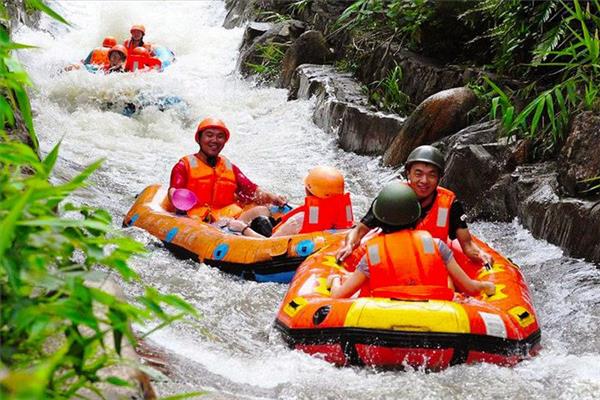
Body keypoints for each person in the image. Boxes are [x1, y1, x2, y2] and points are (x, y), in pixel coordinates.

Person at [328, 182, 496, 299]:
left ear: (379, 219)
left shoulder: (372, 254)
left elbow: (338, 295)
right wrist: (487, 286)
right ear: (416, 217)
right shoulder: (438, 246)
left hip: (381, 319)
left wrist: (335, 280)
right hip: (437, 318)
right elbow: (470, 288)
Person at [336, 145, 492, 266]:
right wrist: (349, 245)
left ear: (439, 178)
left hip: (432, 264)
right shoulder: (392, 198)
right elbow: (360, 230)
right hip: (392, 261)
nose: (424, 181)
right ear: (408, 174)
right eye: (418, 173)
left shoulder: (451, 205)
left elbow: (467, 244)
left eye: (431, 175)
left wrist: (481, 255)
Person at [168, 117, 286, 224]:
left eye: (220, 137)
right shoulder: (184, 166)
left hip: (227, 220)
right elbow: (174, 191)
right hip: (197, 221)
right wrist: (176, 198)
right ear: (199, 139)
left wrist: (273, 198)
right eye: (209, 135)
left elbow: (252, 191)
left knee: (261, 211)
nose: (214, 140)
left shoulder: (230, 167)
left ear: (224, 142)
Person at [271, 166, 354, 236]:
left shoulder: (297, 220)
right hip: (330, 245)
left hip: (298, 250)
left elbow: (272, 243)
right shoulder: (345, 216)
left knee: (261, 220)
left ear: (307, 191)